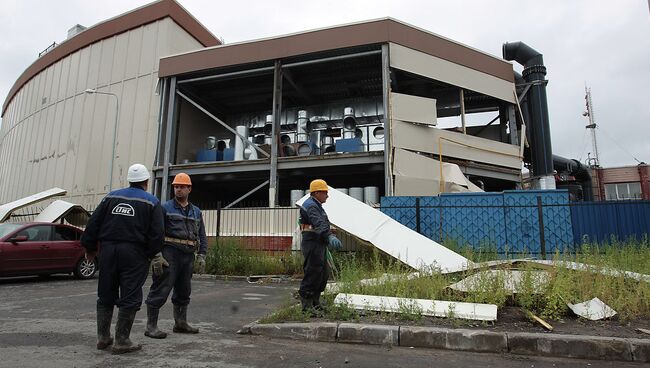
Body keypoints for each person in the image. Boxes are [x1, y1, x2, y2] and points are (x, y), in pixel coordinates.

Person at [81, 163, 164, 354]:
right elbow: (157, 234)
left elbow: (93, 223)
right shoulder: (151, 202)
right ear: (146, 181)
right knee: (130, 294)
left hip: (108, 251)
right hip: (134, 254)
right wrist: (152, 254)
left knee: (106, 292)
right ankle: (122, 340)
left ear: (129, 179)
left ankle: (103, 337)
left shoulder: (111, 197)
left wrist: (90, 248)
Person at [144, 173, 208, 339]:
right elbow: (155, 232)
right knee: (161, 288)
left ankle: (180, 323)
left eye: (182, 187)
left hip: (188, 255)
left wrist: (202, 255)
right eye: (176, 186)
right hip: (169, 253)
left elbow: (202, 235)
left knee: (184, 290)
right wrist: (156, 254)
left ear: (189, 189)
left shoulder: (196, 212)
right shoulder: (165, 208)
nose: (178, 189)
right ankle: (151, 326)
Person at [297, 179, 342, 312]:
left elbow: (322, 223)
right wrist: (329, 236)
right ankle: (307, 306)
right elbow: (319, 223)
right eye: (325, 193)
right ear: (316, 193)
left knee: (322, 274)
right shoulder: (311, 206)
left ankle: (315, 302)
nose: (327, 196)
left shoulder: (316, 205)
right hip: (312, 244)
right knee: (313, 272)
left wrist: (328, 235)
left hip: (318, 243)